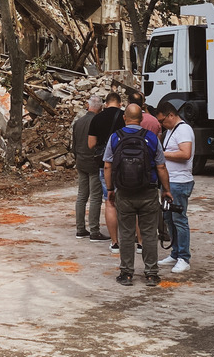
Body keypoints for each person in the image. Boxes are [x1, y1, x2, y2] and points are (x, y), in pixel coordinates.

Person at [103, 104, 171, 287]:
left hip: (124, 192)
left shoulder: (115, 137)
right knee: (149, 233)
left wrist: (110, 189)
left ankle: (126, 274)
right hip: (147, 191)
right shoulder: (151, 138)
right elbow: (161, 167)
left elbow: (107, 166)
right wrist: (166, 190)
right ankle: (151, 274)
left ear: (124, 118)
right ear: (141, 119)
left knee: (126, 233)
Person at [156, 102, 194, 274]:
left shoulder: (184, 130)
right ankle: (175, 252)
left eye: (163, 120)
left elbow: (185, 154)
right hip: (169, 182)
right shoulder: (171, 130)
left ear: (171, 115)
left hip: (180, 182)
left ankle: (184, 258)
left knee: (179, 219)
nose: (162, 124)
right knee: (169, 219)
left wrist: (162, 155)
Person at [87, 92, 125, 249]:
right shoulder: (125, 116)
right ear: (120, 102)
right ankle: (133, 239)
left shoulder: (97, 118)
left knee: (110, 203)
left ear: (106, 103)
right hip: (126, 164)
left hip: (105, 165)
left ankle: (114, 242)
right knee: (127, 201)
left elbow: (91, 144)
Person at [71, 96, 106, 240]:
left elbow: (73, 144)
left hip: (81, 161)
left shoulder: (78, 122)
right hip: (93, 162)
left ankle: (80, 228)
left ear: (88, 106)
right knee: (95, 197)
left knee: (82, 196)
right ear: (101, 108)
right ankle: (94, 230)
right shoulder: (98, 122)